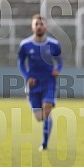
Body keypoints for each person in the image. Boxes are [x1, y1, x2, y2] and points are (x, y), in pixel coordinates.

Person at [18, 14, 63, 151]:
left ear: (46, 27)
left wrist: (58, 70)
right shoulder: (25, 45)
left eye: (41, 24)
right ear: (32, 27)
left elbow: (59, 62)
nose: (39, 26)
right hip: (33, 85)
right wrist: (27, 77)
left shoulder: (54, 45)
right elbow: (21, 63)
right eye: (36, 24)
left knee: (47, 109)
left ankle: (44, 144)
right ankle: (46, 123)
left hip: (49, 82)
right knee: (39, 117)